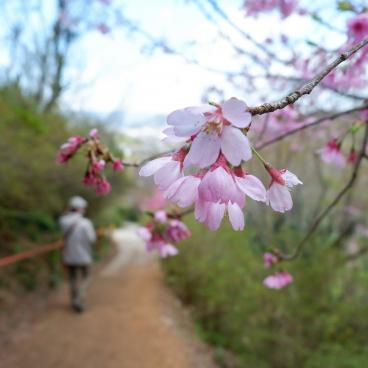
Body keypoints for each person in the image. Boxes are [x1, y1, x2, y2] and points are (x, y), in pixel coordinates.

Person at [59, 196, 96, 313]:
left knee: (72, 278)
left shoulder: (63, 221)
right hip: (84, 255)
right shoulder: (86, 223)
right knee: (86, 277)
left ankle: (74, 299)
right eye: (83, 208)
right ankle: (79, 298)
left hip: (69, 255)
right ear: (80, 209)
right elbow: (92, 239)